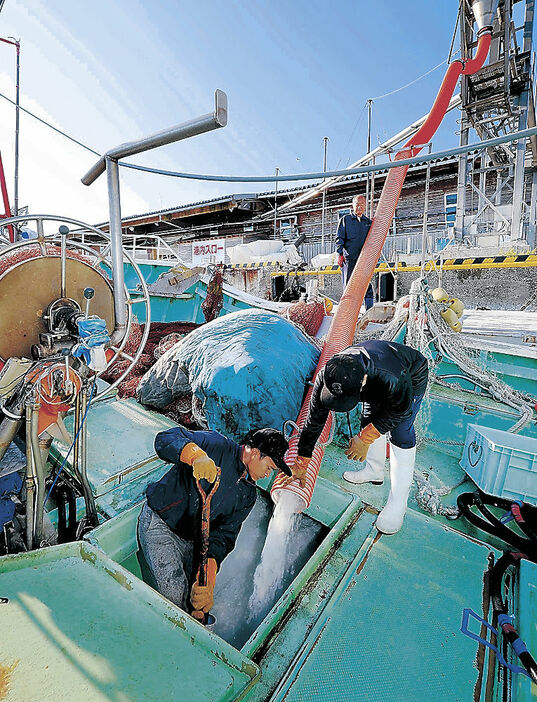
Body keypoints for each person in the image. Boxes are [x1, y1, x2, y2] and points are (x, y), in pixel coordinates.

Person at [137, 426, 290, 616]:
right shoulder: (217, 445)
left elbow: (223, 537)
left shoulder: (248, 495)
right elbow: (165, 438)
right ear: (255, 453)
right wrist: (195, 456)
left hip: (193, 541)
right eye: (269, 467)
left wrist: (207, 580)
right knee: (175, 597)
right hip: (161, 524)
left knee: (198, 603)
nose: (269, 474)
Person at [284, 340, 428, 534]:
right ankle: (374, 472)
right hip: (373, 377)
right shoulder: (325, 375)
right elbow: (314, 421)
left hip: (410, 375)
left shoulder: (392, 376)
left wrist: (364, 439)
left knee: (400, 432)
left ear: (363, 382)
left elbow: (400, 411)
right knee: (368, 417)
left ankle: (397, 505)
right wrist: (301, 462)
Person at [335, 193, 374, 309]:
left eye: (362, 205)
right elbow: (339, 238)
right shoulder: (345, 220)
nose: (360, 207)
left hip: (363, 260)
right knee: (349, 288)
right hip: (349, 259)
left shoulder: (368, 222)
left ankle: (369, 311)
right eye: (357, 205)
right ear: (353, 205)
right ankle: (347, 312)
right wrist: (340, 254)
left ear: (365, 206)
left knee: (367, 286)